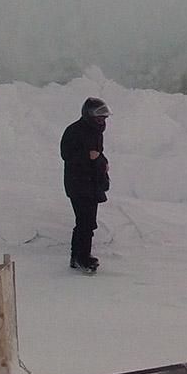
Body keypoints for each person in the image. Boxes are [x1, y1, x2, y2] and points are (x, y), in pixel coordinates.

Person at [60, 97, 111, 271]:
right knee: (84, 222)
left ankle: (79, 256)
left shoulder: (96, 132)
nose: (102, 120)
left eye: (104, 118)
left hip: (92, 183)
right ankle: (81, 257)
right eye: (99, 117)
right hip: (78, 184)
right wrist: (88, 157)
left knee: (88, 222)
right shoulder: (74, 131)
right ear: (88, 115)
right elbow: (67, 155)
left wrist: (102, 163)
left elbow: (98, 153)